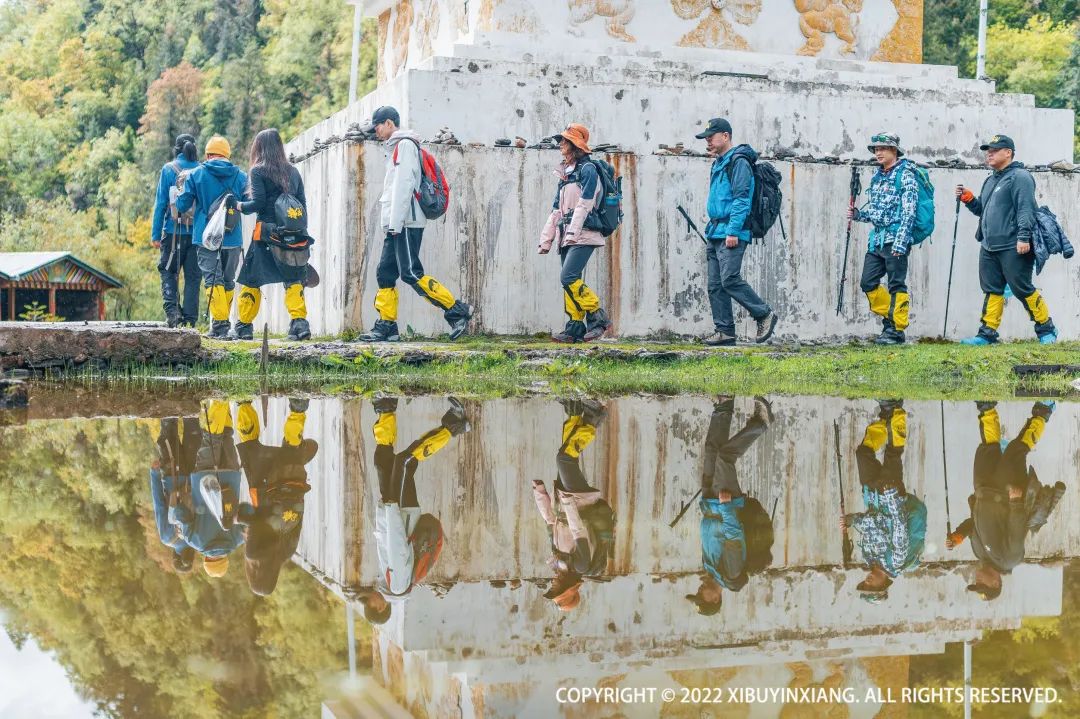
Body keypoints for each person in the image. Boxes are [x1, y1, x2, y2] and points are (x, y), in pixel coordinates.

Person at [357, 106, 473, 342]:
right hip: (397, 223)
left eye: (377, 127)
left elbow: (404, 185)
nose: (375, 132)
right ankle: (387, 326)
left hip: (406, 222)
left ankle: (457, 310)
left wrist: (395, 223)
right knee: (385, 273)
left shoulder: (405, 146)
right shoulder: (397, 148)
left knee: (411, 273)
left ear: (389, 123)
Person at [947, 400, 1059, 599]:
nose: (977, 580)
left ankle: (986, 406)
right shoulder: (1009, 560)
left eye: (976, 584)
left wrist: (959, 535)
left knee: (988, 446)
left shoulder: (979, 554)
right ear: (996, 582)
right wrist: (1015, 502)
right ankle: (1043, 411)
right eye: (982, 584)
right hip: (1006, 493)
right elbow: (1017, 529)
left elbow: (974, 525)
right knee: (1017, 449)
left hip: (983, 489)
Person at [955, 135, 1058, 345]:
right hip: (989, 245)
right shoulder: (990, 180)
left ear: (1008, 152)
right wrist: (969, 199)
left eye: (994, 150)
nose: (989, 154)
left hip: (1014, 245)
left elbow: (1025, 209)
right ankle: (987, 334)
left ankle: (1047, 329)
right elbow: (982, 210)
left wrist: (1023, 237)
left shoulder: (1020, 177)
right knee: (992, 289)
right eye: (988, 151)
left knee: (1021, 287)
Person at [370, 395, 470, 603]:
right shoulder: (397, 586)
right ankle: (454, 425)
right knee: (405, 461)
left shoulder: (393, 582)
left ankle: (385, 407)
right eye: (375, 603)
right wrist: (391, 509)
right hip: (400, 512)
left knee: (383, 461)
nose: (373, 597)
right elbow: (397, 546)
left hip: (392, 511)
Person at [686, 395, 774, 615]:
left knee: (712, 450)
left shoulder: (709, 568)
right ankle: (761, 423)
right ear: (716, 599)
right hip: (724, 503)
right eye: (702, 597)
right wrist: (725, 508)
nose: (699, 591)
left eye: (697, 594)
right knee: (725, 457)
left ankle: (724, 405)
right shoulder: (731, 574)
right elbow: (734, 538)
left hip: (710, 503)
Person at [695, 118, 778, 347]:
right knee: (715, 285)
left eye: (711, 137)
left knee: (730, 279)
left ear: (725, 136)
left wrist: (733, 231)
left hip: (731, 232)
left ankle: (764, 314)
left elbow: (742, 199)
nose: (707, 141)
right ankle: (725, 331)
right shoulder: (719, 163)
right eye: (706, 138)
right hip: (715, 231)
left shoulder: (739, 162)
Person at [532, 399, 613, 611]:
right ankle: (594, 416)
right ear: (568, 589)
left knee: (567, 456)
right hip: (578, 501)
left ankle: (574, 412)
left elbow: (551, 523)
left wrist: (540, 494)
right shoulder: (581, 565)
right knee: (564, 459)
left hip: (565, 502)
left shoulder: (558, 562)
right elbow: (578, 530)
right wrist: (568, 503)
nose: (552, 585)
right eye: (556, 589)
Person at [841, 401, 926, 601]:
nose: (867, 581)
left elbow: (870, 525)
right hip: (890, 495)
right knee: (893, 453)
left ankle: (885, 416)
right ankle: (896, 410)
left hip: (872, 494)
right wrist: (892, 497)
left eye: (865, 584)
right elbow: (899, 522)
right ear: (883, 585)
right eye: (871, 586)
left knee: (863, 453)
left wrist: (853, 520)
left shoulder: (868, 558)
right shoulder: (896, 561)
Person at [537, 124, 614, 343]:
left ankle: (598, 317)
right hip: (567, 234)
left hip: (585, 232)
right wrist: (546, 240)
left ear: (575, 144)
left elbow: (585, 203)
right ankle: (575, 327)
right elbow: (556, 210)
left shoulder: (588, 169)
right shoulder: (566, 173)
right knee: (570, 281)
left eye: (564, 140)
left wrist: (572, 232)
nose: (560, 144)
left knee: (568, 276)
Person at [235, 129, 314, 342]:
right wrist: (298, 231)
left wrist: (239, 205)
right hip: (293, 235)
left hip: (265, 235)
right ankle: (299, 324)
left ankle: (244, 326)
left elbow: (258, 203)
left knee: (251, 279)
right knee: (293, 279)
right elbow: (302, 205)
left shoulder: (258, 171)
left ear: (259, 148)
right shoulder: (293, 172)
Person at [235, 397, 319, 595]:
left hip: (293, 486)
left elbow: (297, 520)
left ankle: (298, 408)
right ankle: (244, 402)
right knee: (249, 445)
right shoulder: (254, 554)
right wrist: (238, 518)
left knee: (291, 447)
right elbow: (258, 522)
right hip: (266, 489)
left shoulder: (287, 553)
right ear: (255, 575)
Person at [848, 133, 918, 345]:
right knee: (868, 282)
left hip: (895, 239)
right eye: (876, 149)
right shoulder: (878, 177)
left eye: (882, 149)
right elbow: (877, 212)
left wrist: (901, 241)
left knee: (896, 284)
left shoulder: (906, 175)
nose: (878, 153)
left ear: (894, 151)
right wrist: (860, 215)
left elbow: (909, 211)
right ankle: (891, 317)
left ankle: (896, 331)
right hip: (876, 240)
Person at [176, 136, 249, 340]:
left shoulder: (196, 174)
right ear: (227, 155)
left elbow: (182, 205)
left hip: (206, 237)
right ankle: (222, 323)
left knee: (212, 280)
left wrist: (182, 189)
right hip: (233, 237)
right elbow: (249, 204)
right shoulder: (241, 176)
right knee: (228, 280)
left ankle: (220, 325)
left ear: (208, 155)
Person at [168, 399, 250, 577]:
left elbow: (248, 510)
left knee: (226, 436)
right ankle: (219, 398)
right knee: (210, 438)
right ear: (206, 561)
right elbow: (180, 512)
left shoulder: (237, 540)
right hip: (204, 479)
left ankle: (225, 399)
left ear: (225, 561)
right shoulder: (194, 541)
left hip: (231, 477)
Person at [151, 134, 201, 328]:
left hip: (173, 232)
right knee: (193, 278)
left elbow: (161, 203)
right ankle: (190, 320)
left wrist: (156, 235)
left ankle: (173, 314)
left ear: (177, 149)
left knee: (168, 271)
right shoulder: (202, 170)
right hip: (197, 234)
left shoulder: (168, 169)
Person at [150, 416, 199, 573]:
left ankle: (191, 402)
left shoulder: (199, 536)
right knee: (168, 426)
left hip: (194, 475)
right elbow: (159, 504)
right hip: (172, 475)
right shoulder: (166, 537)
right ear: (175, 557)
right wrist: (154, 474)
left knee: (193, 425)